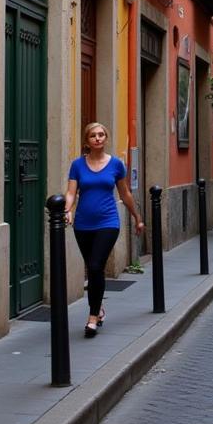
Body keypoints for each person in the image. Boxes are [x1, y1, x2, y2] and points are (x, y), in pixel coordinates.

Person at [65, 122, 143, 338]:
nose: (98, 138)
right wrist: (67, 209)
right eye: (93, 135)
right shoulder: (77, 165)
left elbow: (125, 193)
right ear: (86, 140)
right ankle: (98, 307)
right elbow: (71, 192)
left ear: (106, 138)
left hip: (108, 222)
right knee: (92, 269)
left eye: (101, 135)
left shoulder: (116, 164)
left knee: (96, 264)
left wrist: (137, 217)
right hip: (82, 224)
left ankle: (92, 318)